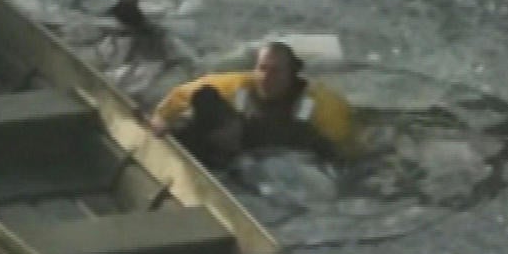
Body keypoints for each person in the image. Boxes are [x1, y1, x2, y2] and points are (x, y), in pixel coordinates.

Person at [148, 41, 360, 163]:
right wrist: (160, 120)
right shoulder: (239, 85)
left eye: (276, 71)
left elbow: (344, 150)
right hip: (245, 144)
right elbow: (182, 95)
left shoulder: (321, 105)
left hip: (292, 149)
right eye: (262, 68)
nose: (266, 77)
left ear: (291, 74)